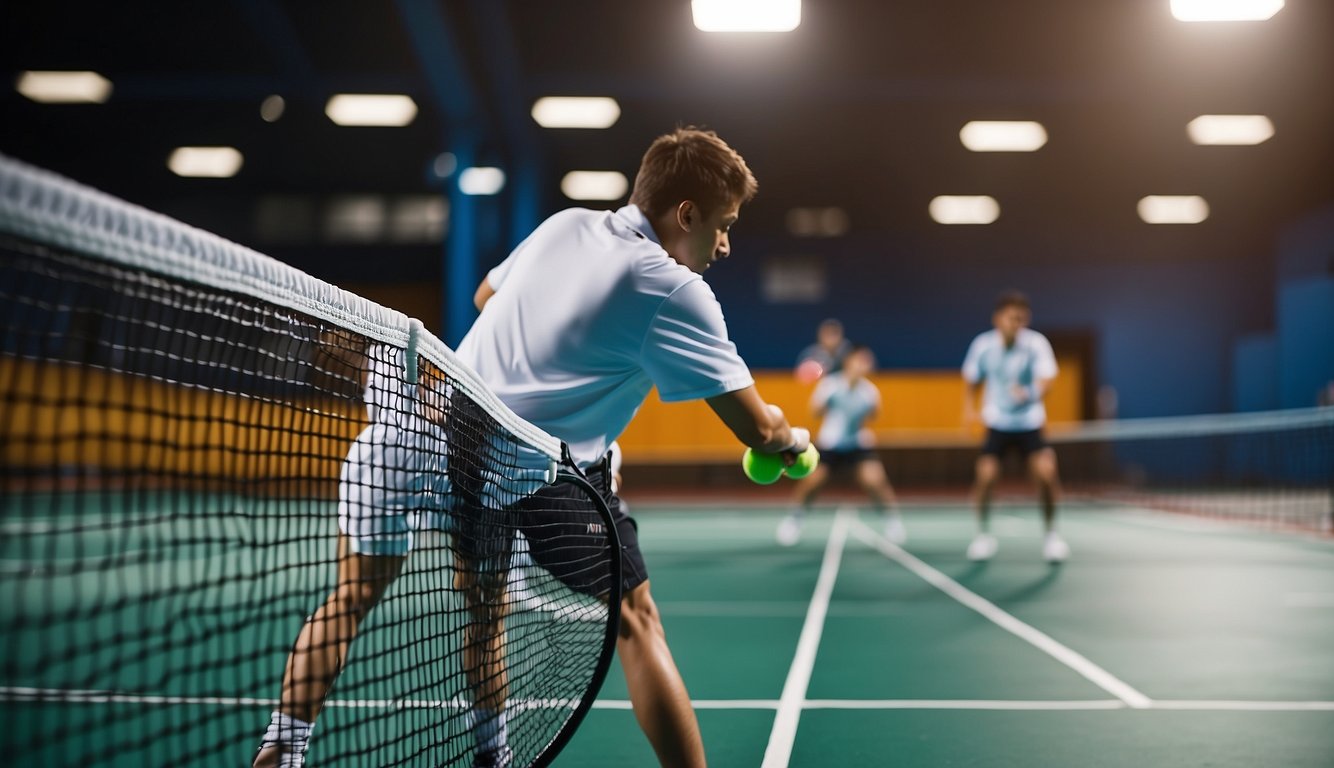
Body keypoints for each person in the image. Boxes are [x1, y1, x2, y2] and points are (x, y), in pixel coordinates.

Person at [254, 127, 810, 768]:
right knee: (634, 619)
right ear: (686, 214)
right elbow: (758, 432)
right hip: (525, 470)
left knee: (357, 596)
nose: (725, 243)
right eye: (723, 224)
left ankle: (284, 746)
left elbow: (487, 297)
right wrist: (792, 438)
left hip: (423, 427)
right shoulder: (674, 289)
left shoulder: (565, 225)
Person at [960, 291, 1068, 564]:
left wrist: (1029, 393)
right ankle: (983, 536)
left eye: (1021, 318)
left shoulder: (1036, 344)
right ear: (998, 319)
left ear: (1026, 319)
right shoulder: (983, 345)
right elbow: (971, 380)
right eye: (1011, 318)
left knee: (1046, 474)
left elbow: (1048, 380)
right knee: (985, 476)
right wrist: (969, 411)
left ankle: (1051, 536)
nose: (1015, 323)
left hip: (1029, 422)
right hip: (997, 423)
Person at [776, 344, 905, 546]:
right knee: (811, 483)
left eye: (867, 362)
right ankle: (794, 520)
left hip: (857, 443)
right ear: (849, 362)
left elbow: (874, 415)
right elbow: (814, 412)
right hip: (830, 443)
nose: (865, 365)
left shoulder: (869, 391)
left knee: (875, 481)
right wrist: (827, 400)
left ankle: (892, 522)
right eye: (861, 360)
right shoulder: (830, 386)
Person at [794, 318, 852, 383]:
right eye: (827, 333)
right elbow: (802, 380)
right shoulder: (809, 354)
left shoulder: (849, 352)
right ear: (820, 335)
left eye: (834, 333)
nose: (831, 338)